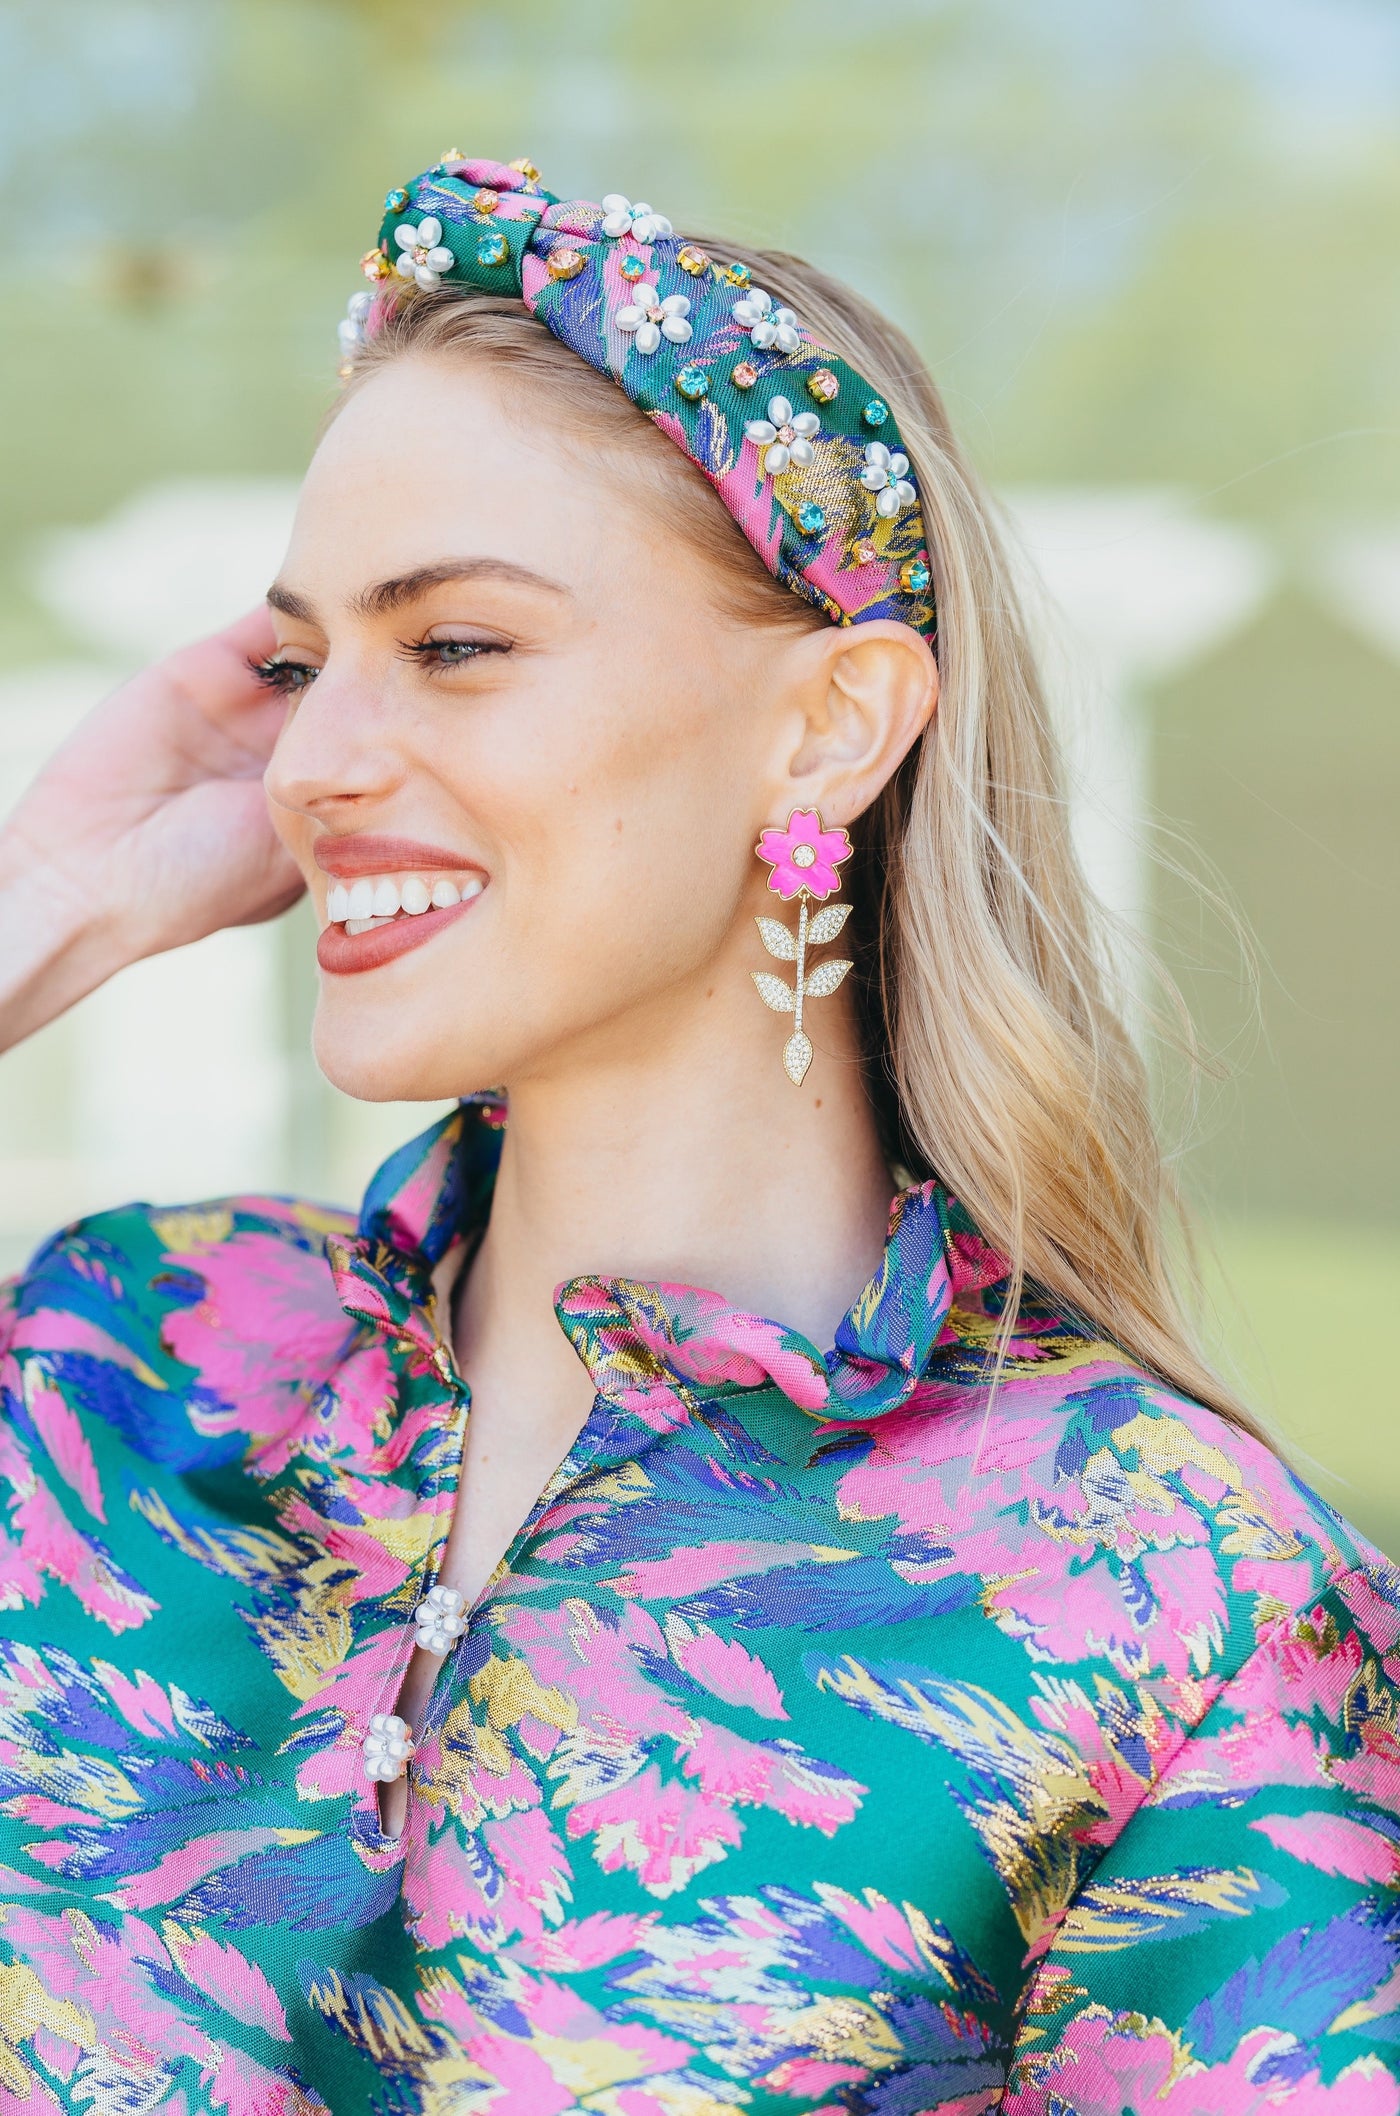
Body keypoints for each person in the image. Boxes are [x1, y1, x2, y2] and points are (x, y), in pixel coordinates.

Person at [0, 154, 1396, 2116]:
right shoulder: (107, 1368)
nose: (311, 760)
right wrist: (39, 894)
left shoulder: (1167, 1592)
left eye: (458, 643)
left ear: (830, 721)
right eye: (303, 662)